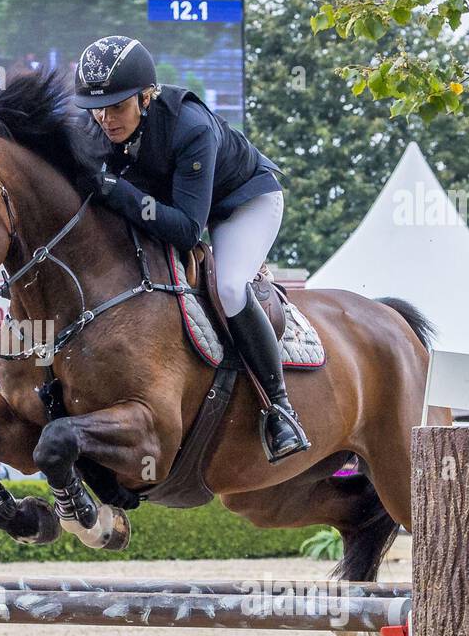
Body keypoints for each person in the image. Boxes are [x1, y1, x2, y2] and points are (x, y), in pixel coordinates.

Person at [72, 35, 309, 462]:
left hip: (240, 205)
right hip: (176, 206)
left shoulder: (190, 127)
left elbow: (185, 229)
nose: (105, 119)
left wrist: (116, 190)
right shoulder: (96, 127)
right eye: (97, 109)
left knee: (232, 287)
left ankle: (280, 408)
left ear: (146, 97)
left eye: (117, 107)